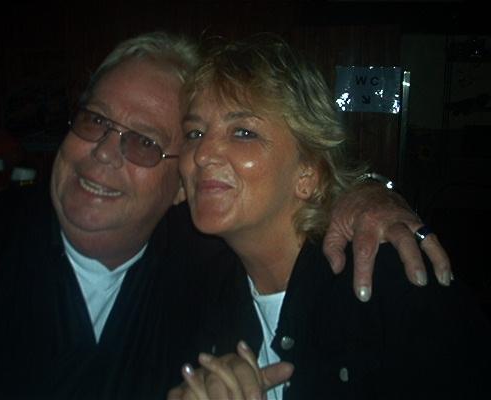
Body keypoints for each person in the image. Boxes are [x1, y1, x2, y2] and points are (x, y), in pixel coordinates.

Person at [0, 32, 452, 399]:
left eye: (144, 141)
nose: (104, 152)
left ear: (177, 189)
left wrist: (366, 192)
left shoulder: (208, 270)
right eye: (95, 121)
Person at [168, 34, 491, 400]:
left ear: (308, 173)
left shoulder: (391, 285)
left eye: (243, 132)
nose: (202, 154)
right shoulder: (200, 289)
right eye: (194, 133)